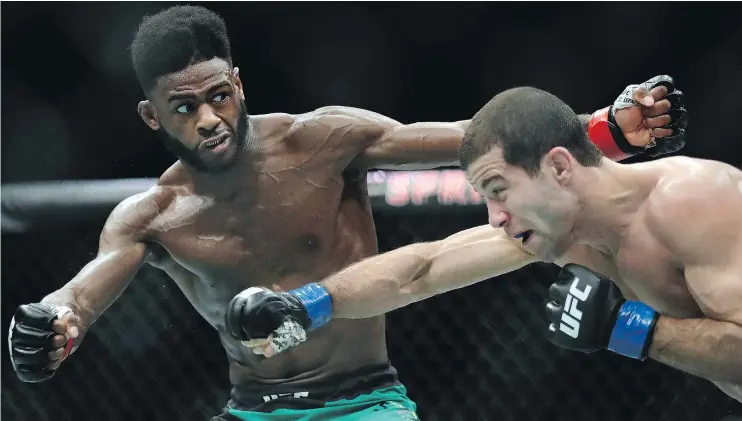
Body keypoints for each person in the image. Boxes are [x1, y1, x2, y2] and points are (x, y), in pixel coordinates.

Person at [6, 5, 688, 421]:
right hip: (254, 408)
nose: (211, 118)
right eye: (185, 108)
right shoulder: (153, 213)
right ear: (152, 115)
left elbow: (465, 135)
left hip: (368, 402)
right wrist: (54, 319)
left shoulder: (323, 140)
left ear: (238, 83)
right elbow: (87, 287)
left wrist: (599, 130)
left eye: (219, 95)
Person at [231, 85, 742, 405]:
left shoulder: (694, 201)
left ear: (559, 167)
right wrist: (305, 305)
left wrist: (632, 329)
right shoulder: (562, 235)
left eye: (499, 191)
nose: (495, 216)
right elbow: (424, 269)